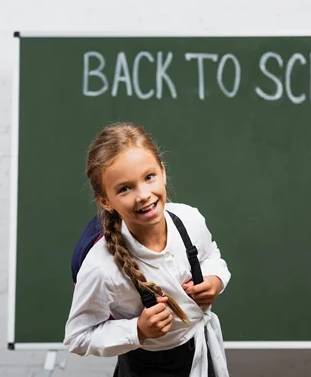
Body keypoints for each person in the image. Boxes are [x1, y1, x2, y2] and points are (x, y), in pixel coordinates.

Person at [63, 122, 231, 377]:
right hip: (147, 368)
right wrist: (137, 330)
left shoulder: (190, 219)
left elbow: (212, 256)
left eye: (149, 177)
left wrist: (215, 280)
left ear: (163, 173)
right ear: (105, 201)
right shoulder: (101, 267)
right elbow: (78, 337)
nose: (143, 195)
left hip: (201, 352)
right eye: (125, 188)